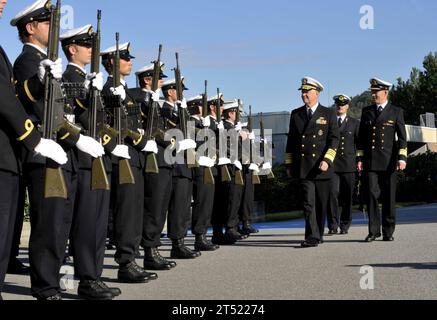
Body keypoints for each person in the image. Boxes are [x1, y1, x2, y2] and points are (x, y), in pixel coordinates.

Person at [0, 0, 68, 300]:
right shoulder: (25, 59)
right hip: (25, 149)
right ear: (31, 27)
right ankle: (47, 284)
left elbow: (16, 94)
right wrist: (34, 139)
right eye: (48, 23)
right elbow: (8, 100)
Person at [100, 41, 155, 283]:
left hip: (135, 158)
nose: (130, 61)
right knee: (125, 212)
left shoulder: (127, 92)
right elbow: (105, 124)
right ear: (112, 63)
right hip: (120, 157)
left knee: (134, 211)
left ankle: (131, 258)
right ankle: (126, 263)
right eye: (124, 58)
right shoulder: (108, 90)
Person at [285, 77, 339, 248]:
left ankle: (318, 233)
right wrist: (289, 163)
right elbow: (291, 141)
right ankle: (312, 236)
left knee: (322, 203)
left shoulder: (329, 113)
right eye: (302, 91)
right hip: (304, 166)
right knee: (308, 203)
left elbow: (334, 139)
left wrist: (327, 160)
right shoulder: (296, 114)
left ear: (317, 93)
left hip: (322, 166)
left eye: (307, 91)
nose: (304, 94)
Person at [357, 78, 407, 242]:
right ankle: (373, 231)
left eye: (375, 92)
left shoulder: (396, 111)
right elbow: (362, 138)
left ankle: (388, 231)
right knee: (371, 193)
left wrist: (402, 157)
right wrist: (360, 158)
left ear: (385, 92)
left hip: (389, 161)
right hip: (370, 161)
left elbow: (402, 138)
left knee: (388, 196)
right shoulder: (367, 111)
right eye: (372, 91)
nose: (373, 94)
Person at [327, 94, 360, 235]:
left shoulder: (354, 123)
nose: (340, 106)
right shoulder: (330, 122)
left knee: (347, 196)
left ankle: (345, 224)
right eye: (338, 104)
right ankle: (333, 225)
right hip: (332, 165)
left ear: (347, 106)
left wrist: (360, 160)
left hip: (348, 164)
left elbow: (359, 144)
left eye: (343, 104)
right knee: (332, 194)